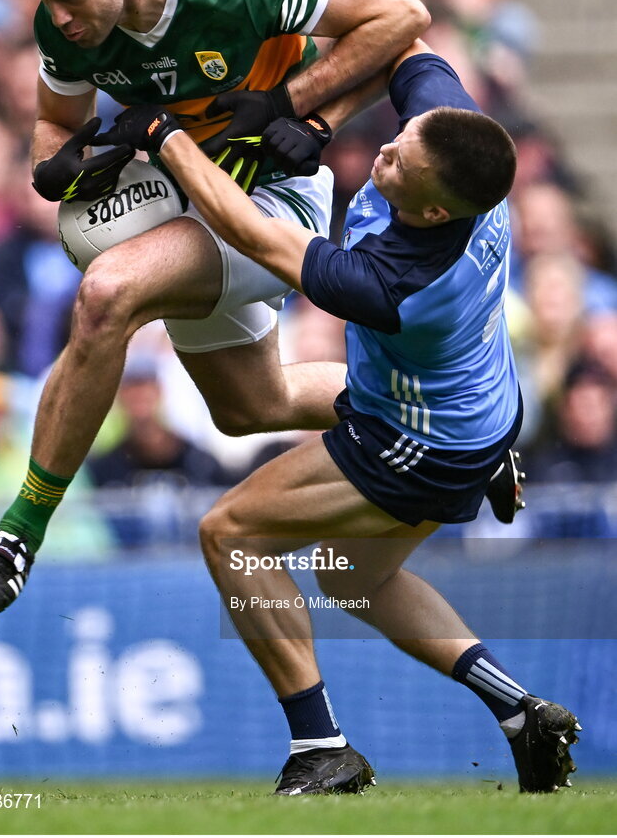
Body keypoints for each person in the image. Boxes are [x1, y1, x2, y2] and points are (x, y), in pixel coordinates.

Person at [110, 38, 580, 795]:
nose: (386, 152)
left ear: (433, 209)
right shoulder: (454, 140)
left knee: (232, 535)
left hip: (416, 440)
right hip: (476, 412)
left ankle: (320, 746)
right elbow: (406, 38)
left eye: (398, 164)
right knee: (350, 571)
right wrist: (304, 73)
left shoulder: (393, 281)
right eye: (399, 138)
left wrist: (163, 136)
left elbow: (252, 232)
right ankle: (520, 711)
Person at [0, 0, 429, 614]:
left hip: (275, 199)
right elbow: (55, 124)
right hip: (179, 183)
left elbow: (402, 17)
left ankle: (17, 535)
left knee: (109, 292)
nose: (56, 16)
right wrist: (58, 164)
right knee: (251, 405)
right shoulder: (64, 22)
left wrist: (293, 106)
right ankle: (435, 417)